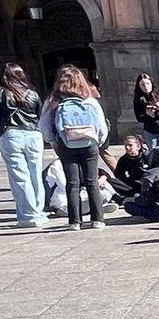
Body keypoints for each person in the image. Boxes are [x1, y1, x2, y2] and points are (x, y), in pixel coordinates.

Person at [40, 64, 110, 230]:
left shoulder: (53, 100)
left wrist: (54, 140)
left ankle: (75, 221)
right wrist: (98, 141)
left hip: (66, 144)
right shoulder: (89, 100)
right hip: (89, 143)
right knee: (92, 181)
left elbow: (43, 125)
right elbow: (101, 125)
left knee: (72, 183)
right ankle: (98, 219)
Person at [0, 63, 46, 228]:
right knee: (35, 175)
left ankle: (29, 216)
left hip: (12, 135)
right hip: (34, 134)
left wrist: (1, 131)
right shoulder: (32, 94)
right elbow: (40, 114)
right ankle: (39, 212)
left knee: (20, 177)